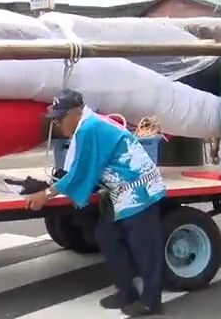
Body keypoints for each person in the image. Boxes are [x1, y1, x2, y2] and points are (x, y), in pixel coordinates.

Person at [24, 89, 166, 317]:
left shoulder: (90, 127)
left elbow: (80, 171)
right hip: (117, 192)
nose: (58, 123)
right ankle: (126, 291)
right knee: (107, 236)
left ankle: (151, 300)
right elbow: (79, 167)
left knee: (144, 247)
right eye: (56, 119)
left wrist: (46, 194)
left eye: (61, 118)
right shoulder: (85, 127)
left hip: (139, 189)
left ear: (76, 112)